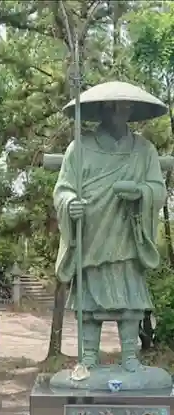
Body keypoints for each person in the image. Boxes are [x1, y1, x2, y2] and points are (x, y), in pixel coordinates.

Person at [53, 82, 167, 376]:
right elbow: (62, 189)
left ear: (132, 111)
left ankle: (130, 355)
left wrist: (140, 192)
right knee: (89, 301)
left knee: (129, 297)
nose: (119, 111)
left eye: (125, 106)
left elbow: (158, 189)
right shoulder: (78, 148)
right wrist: (70, 203)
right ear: (100, 110)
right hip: (92, 234)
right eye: (112, 106)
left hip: (128, 234)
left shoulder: (144, 150)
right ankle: (88, 356)